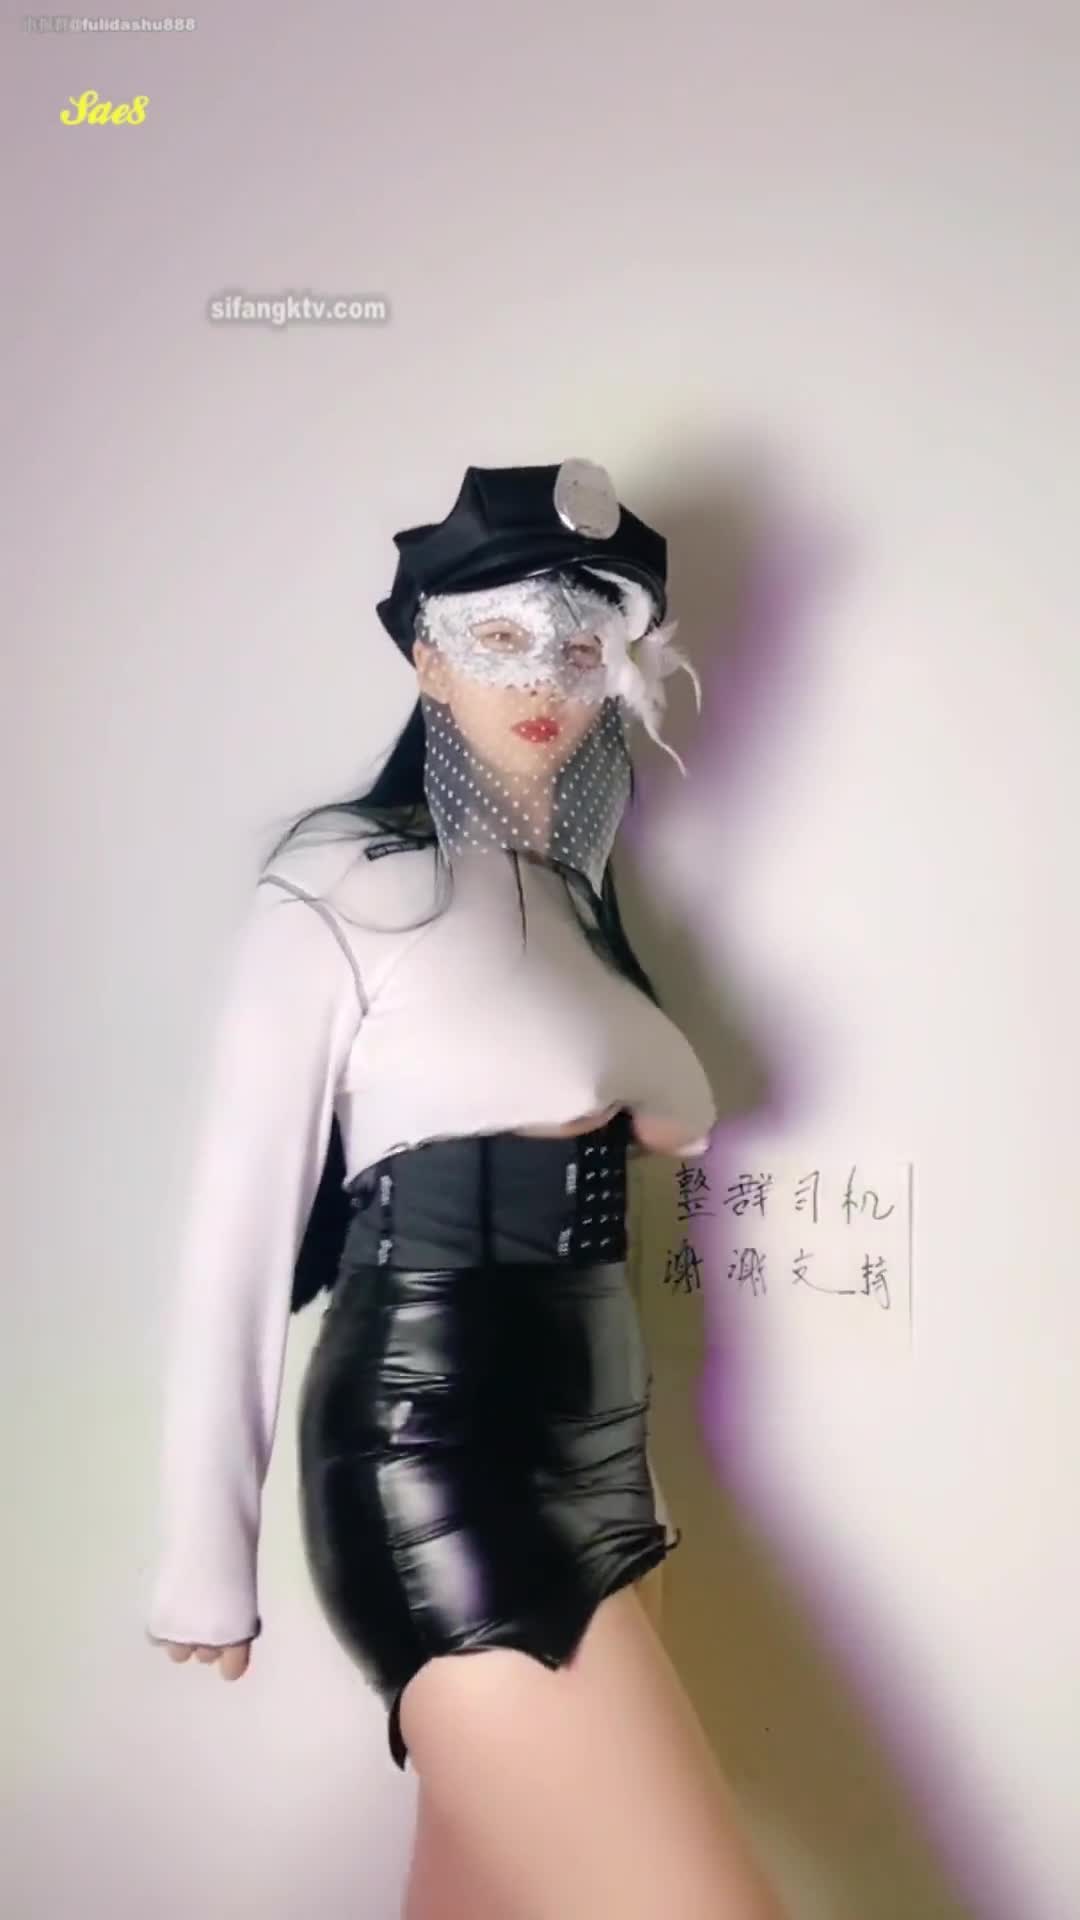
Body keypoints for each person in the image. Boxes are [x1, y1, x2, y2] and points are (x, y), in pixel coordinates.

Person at [145, 459, 785, 1919]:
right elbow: (234, 1234)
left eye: (580, 644)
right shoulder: (339, 882)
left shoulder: (575, 900)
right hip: (439, 1464)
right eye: (500, 638)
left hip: (611, 1457)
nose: (542, 676)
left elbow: (682, 1106)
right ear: (427, 660)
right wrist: (205, 1564)